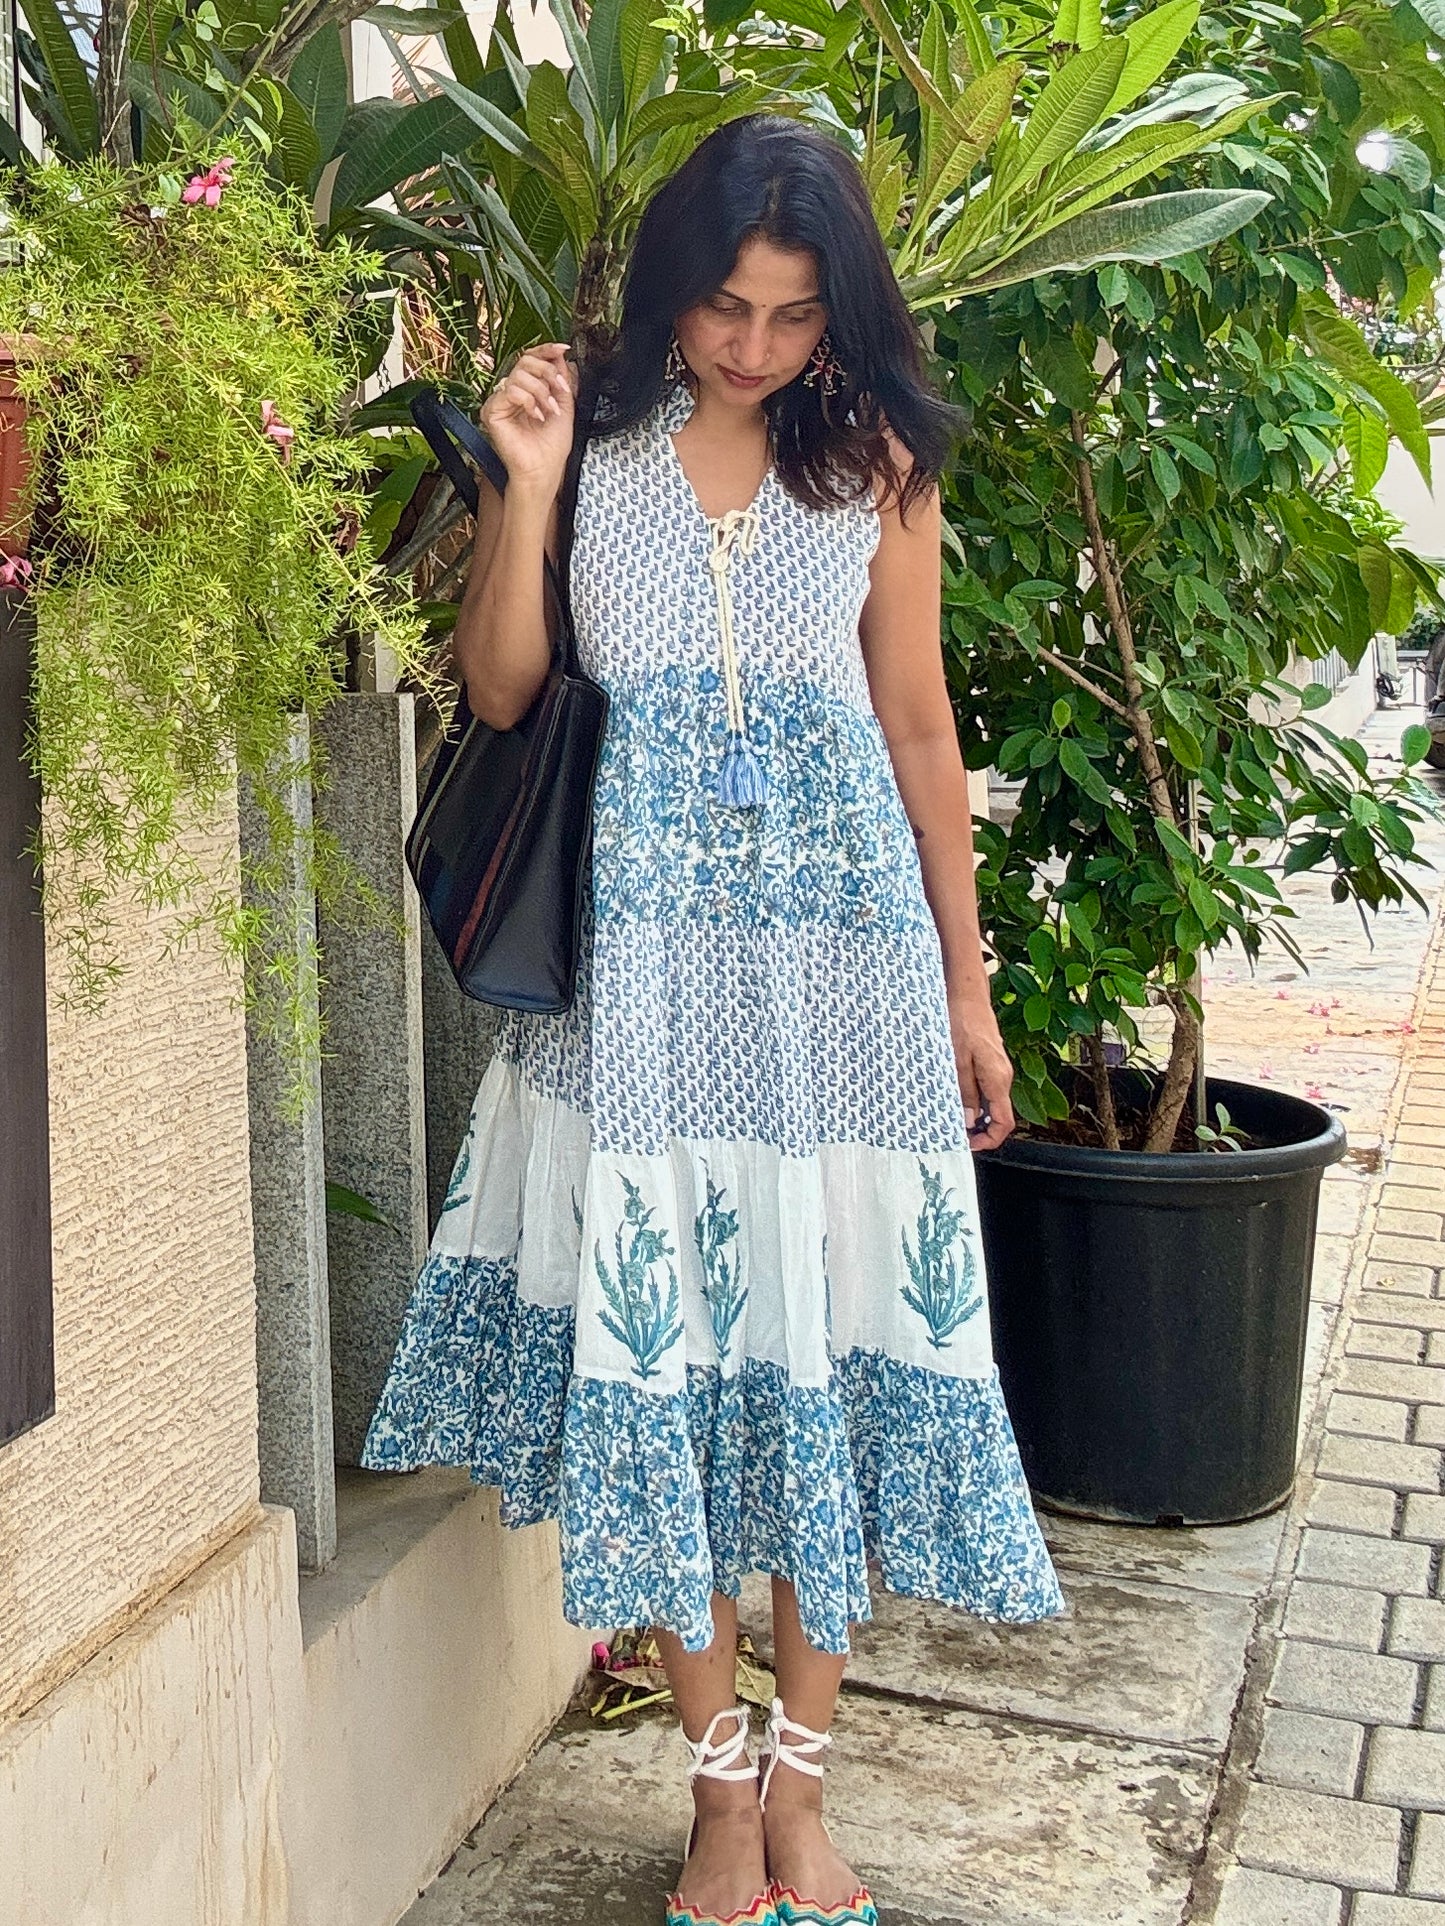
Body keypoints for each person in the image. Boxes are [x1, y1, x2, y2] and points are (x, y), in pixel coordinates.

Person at [361, 112, 1063, 1926]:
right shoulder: (586, 441)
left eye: (792, 315)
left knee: (828, 1347)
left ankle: (808, 1795)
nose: (750, 346)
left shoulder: (883, 462)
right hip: (642, 984)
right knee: (655, 1356)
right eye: (725, 308)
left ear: (842, 317)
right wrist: (521, 485)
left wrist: (968, 985)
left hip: (841, 982)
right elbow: (506, 686)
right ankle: (717, 1786)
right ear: (675, 289)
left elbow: (916, 727)